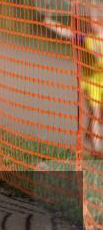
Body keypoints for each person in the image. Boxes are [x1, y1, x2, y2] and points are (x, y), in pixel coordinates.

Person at [44, 8, 103, 154]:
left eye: (98, 20)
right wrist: (50, 22)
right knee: (95, 112)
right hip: (90, 83)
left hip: (101, 81)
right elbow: (67, 33)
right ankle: (97, 148)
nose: (96, 24)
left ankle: (90, 136)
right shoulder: (84, 38)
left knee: (96, 113)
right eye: (93, 21)